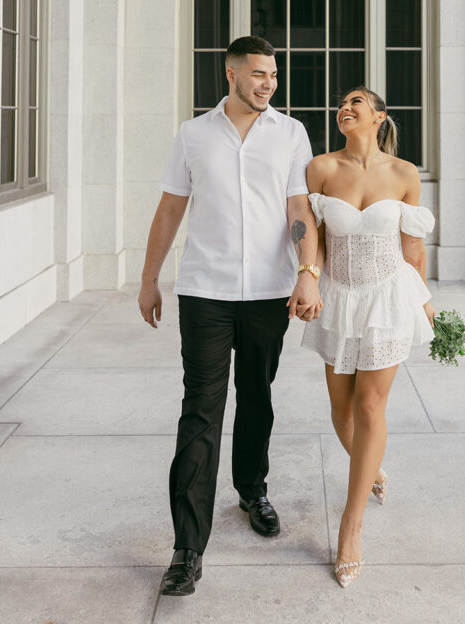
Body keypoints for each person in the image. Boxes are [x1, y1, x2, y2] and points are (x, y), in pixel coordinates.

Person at [138, 36, 321, 597]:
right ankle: (187, 548)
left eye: (273, 75)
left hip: (268, 292)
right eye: (258, 73)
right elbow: (171, 207)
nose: (268, 82)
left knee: (257, 396)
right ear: (231, 74)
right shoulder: (194, 134)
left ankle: (252, 488)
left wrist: (307, 270)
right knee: (201, 411)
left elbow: (299, 209)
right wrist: (149, 279)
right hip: (205, 292)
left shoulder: (290, 134)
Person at [301, 86, 436, 588]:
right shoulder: (320, 169)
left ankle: (350, 529)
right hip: (338, 298)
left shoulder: (403, 174)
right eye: (341, 101)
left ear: (378, 116)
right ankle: (372, 470)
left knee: (370, 408)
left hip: (387, 298)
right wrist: (308, 275)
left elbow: (413, 247)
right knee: (341, 413)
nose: (345, 106)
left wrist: (424, 301)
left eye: (357, 101)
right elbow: (309, 229)